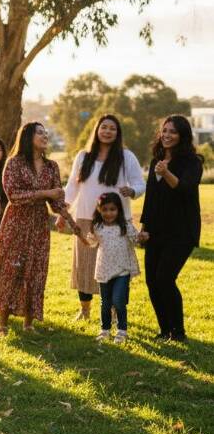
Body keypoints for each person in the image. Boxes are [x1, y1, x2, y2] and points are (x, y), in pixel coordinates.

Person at [0, 122, 84, 335]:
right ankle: (2, 324)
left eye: (46, 133)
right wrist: (45, 193)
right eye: (40, 133)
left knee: (35, 271)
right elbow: (14, 196)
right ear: (27, 136)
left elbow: (56, 201)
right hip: (15, 223)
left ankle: (29, 324)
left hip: (38, 224)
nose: (45, 136)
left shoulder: (52, 166)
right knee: (11, 269)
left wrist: (73, 224)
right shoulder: (14, 163)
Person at [58, 115, 145, 321]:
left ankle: (115, 311)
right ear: (97, 130)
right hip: (86, 219)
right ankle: (85, 309)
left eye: (112, 129)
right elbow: (72, 186)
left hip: (117, 221)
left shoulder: (126, 157)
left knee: (116, 266)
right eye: (104, 127)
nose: (107, 131)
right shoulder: (83, 156)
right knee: (85, 267)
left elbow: (140, 184)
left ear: (118, 133)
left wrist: (132, 191)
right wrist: (64, 210)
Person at [140, 115, 203, 342]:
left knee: (165, 278)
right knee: (152, 281)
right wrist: (144, 227)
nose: (167, 135)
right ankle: (164, 330)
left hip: (181, 231)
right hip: (155, 230)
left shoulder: (193, 162)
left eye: (173, 132)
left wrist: (166, 173)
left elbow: (185, 189)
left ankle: (178, 332)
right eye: (164, 131)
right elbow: (151, 198)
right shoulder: (157, 159)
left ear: (182, 136)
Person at [84, 193, 142, 344]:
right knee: (106, 302)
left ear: (119, 210)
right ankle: (105, 330)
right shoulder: (98, 227)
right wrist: (83, 236)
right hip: (104, 269)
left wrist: (142, 237)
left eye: (112, 209)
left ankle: (122, 330)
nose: (109, 213)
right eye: (105, 209)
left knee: (118, 300)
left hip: (122, 269)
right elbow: (91, 243)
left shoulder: (125, 226)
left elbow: (136, 239)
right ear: (99, 210)